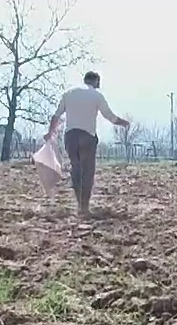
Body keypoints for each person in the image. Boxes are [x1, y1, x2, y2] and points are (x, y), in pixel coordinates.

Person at [47, 71, 129, 218]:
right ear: (95, 81)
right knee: (88, 172)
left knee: (76, 168)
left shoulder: (69, 93)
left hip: (71, 136)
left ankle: (78, 202)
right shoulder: (96, 95)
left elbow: (56, 115)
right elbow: (109, 116)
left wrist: (50, 133)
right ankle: (84, 207)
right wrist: (123, 123)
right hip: (87, 136)